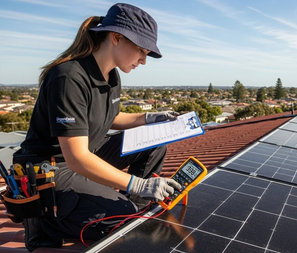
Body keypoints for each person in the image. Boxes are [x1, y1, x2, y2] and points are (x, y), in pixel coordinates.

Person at [13, 3, 181, 251]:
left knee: (153, 144)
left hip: (86, 153)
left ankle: (129, 209)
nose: (144, 61)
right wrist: (139, 184)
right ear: (116, 38)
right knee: (122, 215)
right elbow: (76, 159)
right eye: (141, 51)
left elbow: (111, 117)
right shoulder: (68, 77)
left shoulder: (111, 75)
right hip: (52, 167)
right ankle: (47, 222)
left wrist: (150, 118)